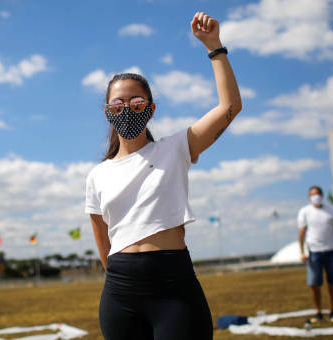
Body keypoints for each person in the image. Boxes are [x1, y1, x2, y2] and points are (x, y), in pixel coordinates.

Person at [85, 12, 241, 340]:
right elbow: (103, 242)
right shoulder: (97, 175)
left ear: (151, 108)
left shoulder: (176, 148)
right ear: (108, 112)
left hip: (173, 287)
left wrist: (214, 47)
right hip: (120, 293)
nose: (127, 108)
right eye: (118, 103)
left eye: (137, 101)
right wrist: (122, 279)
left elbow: (229, 106)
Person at [298, 185, 333, 323]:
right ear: (309, 197)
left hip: (331, 251)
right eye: (313, 194)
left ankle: (332, 311)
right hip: (314, 252)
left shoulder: (331, 211)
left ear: (322, 196)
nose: (315, 196)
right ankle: (318, 312)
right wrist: (302, 251)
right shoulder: (305, 211)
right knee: (314, 284)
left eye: (317, 194)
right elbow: (302, 232)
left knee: (332, 283)